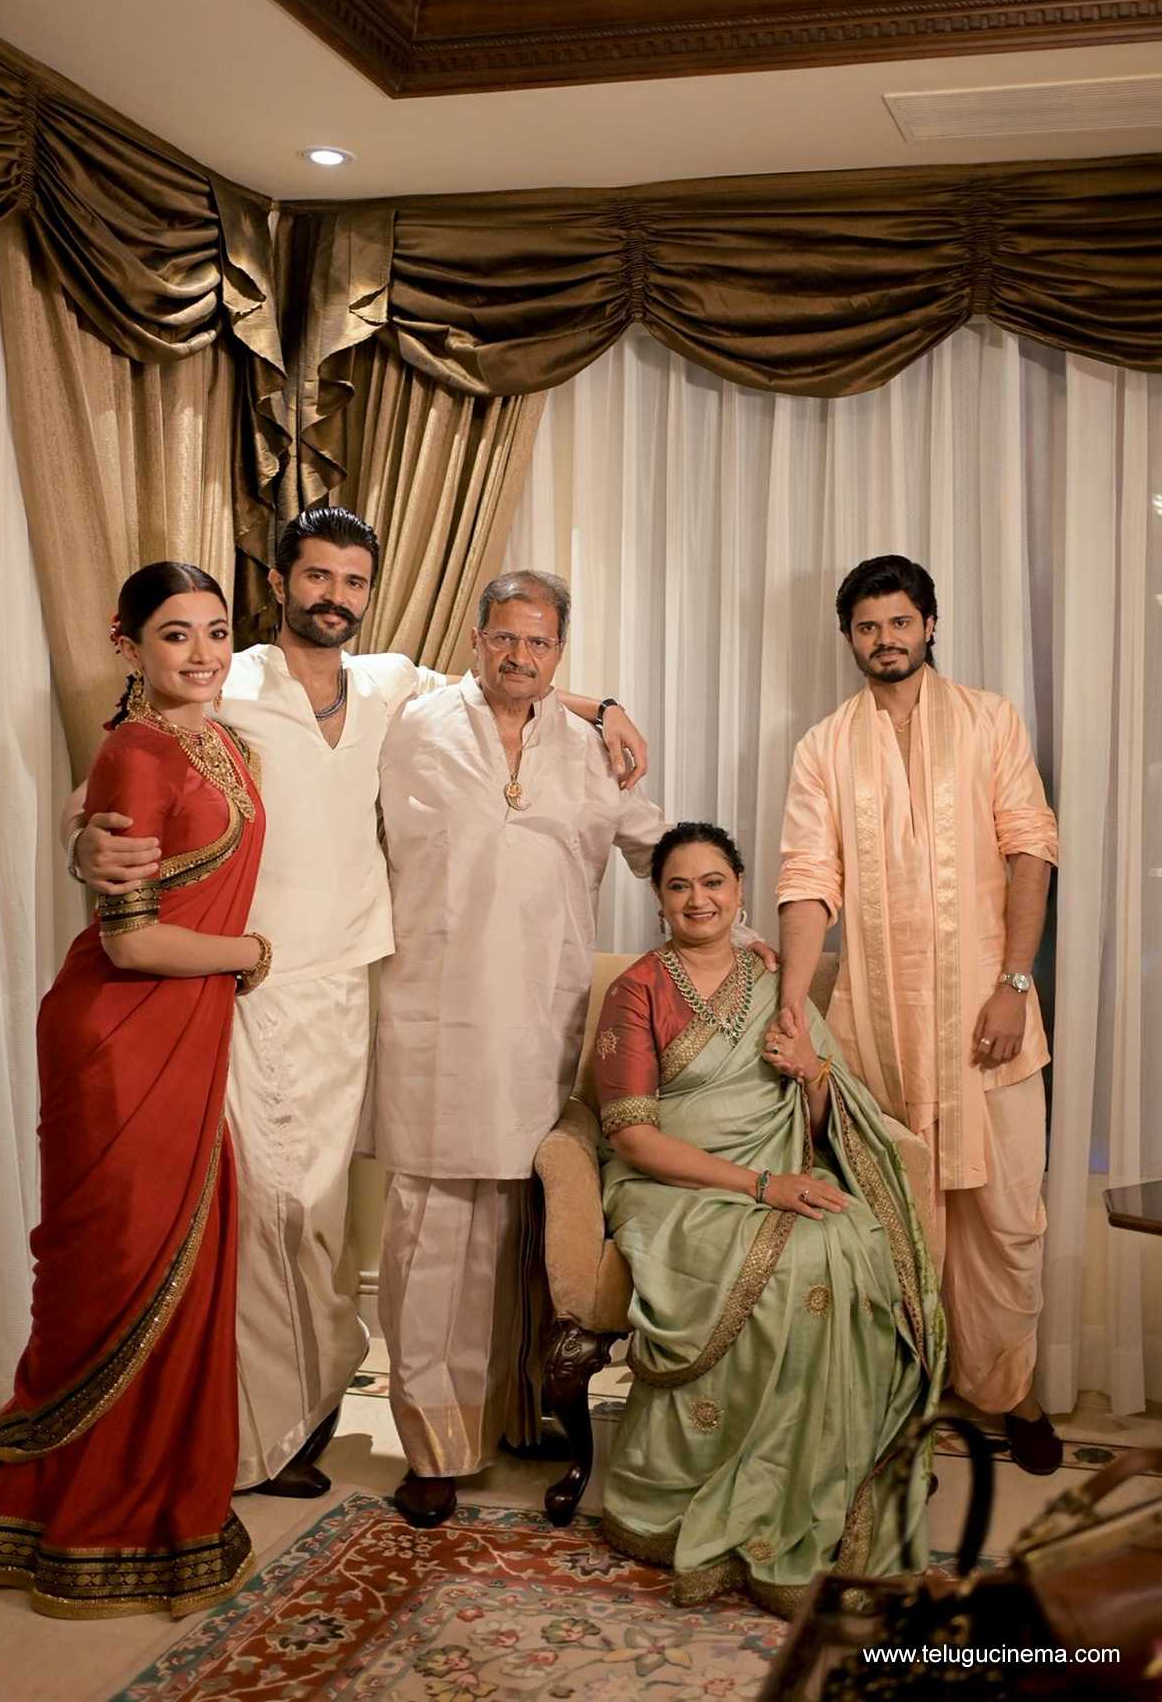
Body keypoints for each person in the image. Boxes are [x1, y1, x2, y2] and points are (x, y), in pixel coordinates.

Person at [69, 512, 649, 1499]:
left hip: (355, 983)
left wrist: (607, 706)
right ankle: (262, 1432)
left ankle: (306, 1408)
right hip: (250, 980)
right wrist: (86, 843)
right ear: (280, 582)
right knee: (274, 1208)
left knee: (325, 1218)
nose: (333, 595)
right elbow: (128, 764)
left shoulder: (390, 686)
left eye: (352, 580)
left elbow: (508, 674)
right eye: (316, 576)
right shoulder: (232, 678)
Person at [375, 572, 772, 1530]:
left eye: (540, 641)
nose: (520, 656)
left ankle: (511, 1421)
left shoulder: (589, 751)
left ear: (561, 650)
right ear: (475, 638)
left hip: (538, 1024)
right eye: (504, 637)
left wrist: (740, 930)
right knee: (432, 1239)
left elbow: (656, 847)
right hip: (435, 1018)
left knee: (520, 1237)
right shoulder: (410, 722)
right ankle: (432, 1451)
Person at [0, 564, 268, 1617]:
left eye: (218, 631)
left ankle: (162, 1521)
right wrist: (255, 952)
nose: (204, 653)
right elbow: (130, 941)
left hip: (186, 1035)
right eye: (176, 634)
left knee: (185, 1264)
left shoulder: (227, 741)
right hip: (118, 1038)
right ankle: (72, 1521)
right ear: (128, 644)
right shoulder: (135, 748)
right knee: (113, 1270)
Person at [595, 822, 944, 1613]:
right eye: (679, 885)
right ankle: (708, 1487)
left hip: (775, 1171)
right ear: (658, 899)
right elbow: (633, 1137)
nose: (699, 899)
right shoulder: (636, 990)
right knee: (791, 1257)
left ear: (739, 889)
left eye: (713, 881)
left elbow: (822, 1121)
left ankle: (810, 1486)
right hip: (673, 1185)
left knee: (851, 1240)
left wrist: (810, 1071)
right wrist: (762, 1185)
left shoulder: (777, 983)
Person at [775, 553, 1061, 1474]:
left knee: (1007, 1220)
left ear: (929, 625)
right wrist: (792, 1007)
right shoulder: (824, 745)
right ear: (849, 637)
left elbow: (1031, 850)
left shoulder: (989, 719)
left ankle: (1012, 1391)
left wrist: (1014, 982)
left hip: (989, 1021)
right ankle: (904, 1406)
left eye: (900, 621)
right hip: (879, 1030)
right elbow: (808, 879)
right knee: (894, 1224)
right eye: (867, 626)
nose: (885, 639)